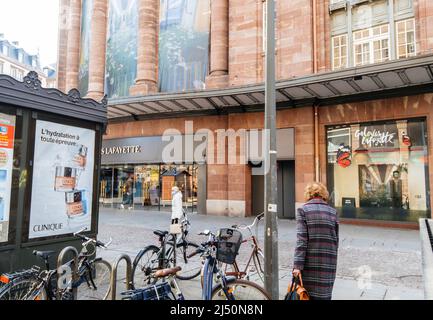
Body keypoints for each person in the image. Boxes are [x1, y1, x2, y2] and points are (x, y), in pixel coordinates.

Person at [292, 182, 339, 300]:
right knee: (325, 296)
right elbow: (336, 239)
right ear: (324, 194)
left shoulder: (303, 210)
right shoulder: (333, 212)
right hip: (329, 262)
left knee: (307, 295)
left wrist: (297, 266)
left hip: (310, 263)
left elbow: (301, 240)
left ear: (308, 194)